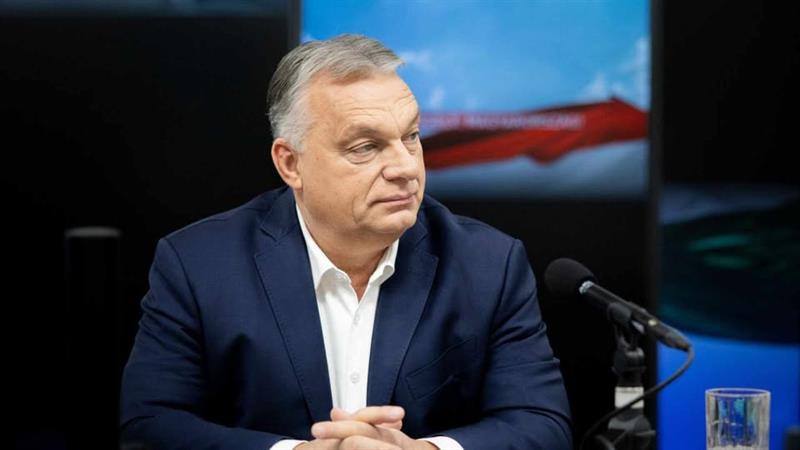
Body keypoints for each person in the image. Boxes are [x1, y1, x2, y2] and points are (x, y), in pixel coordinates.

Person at [120, 34, 572, 450]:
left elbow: (542, 425)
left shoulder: (488, 263)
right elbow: (149, 426)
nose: (405, 168)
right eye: (365, 147)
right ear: (291, 163)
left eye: (411, 137)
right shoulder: (199, 265)